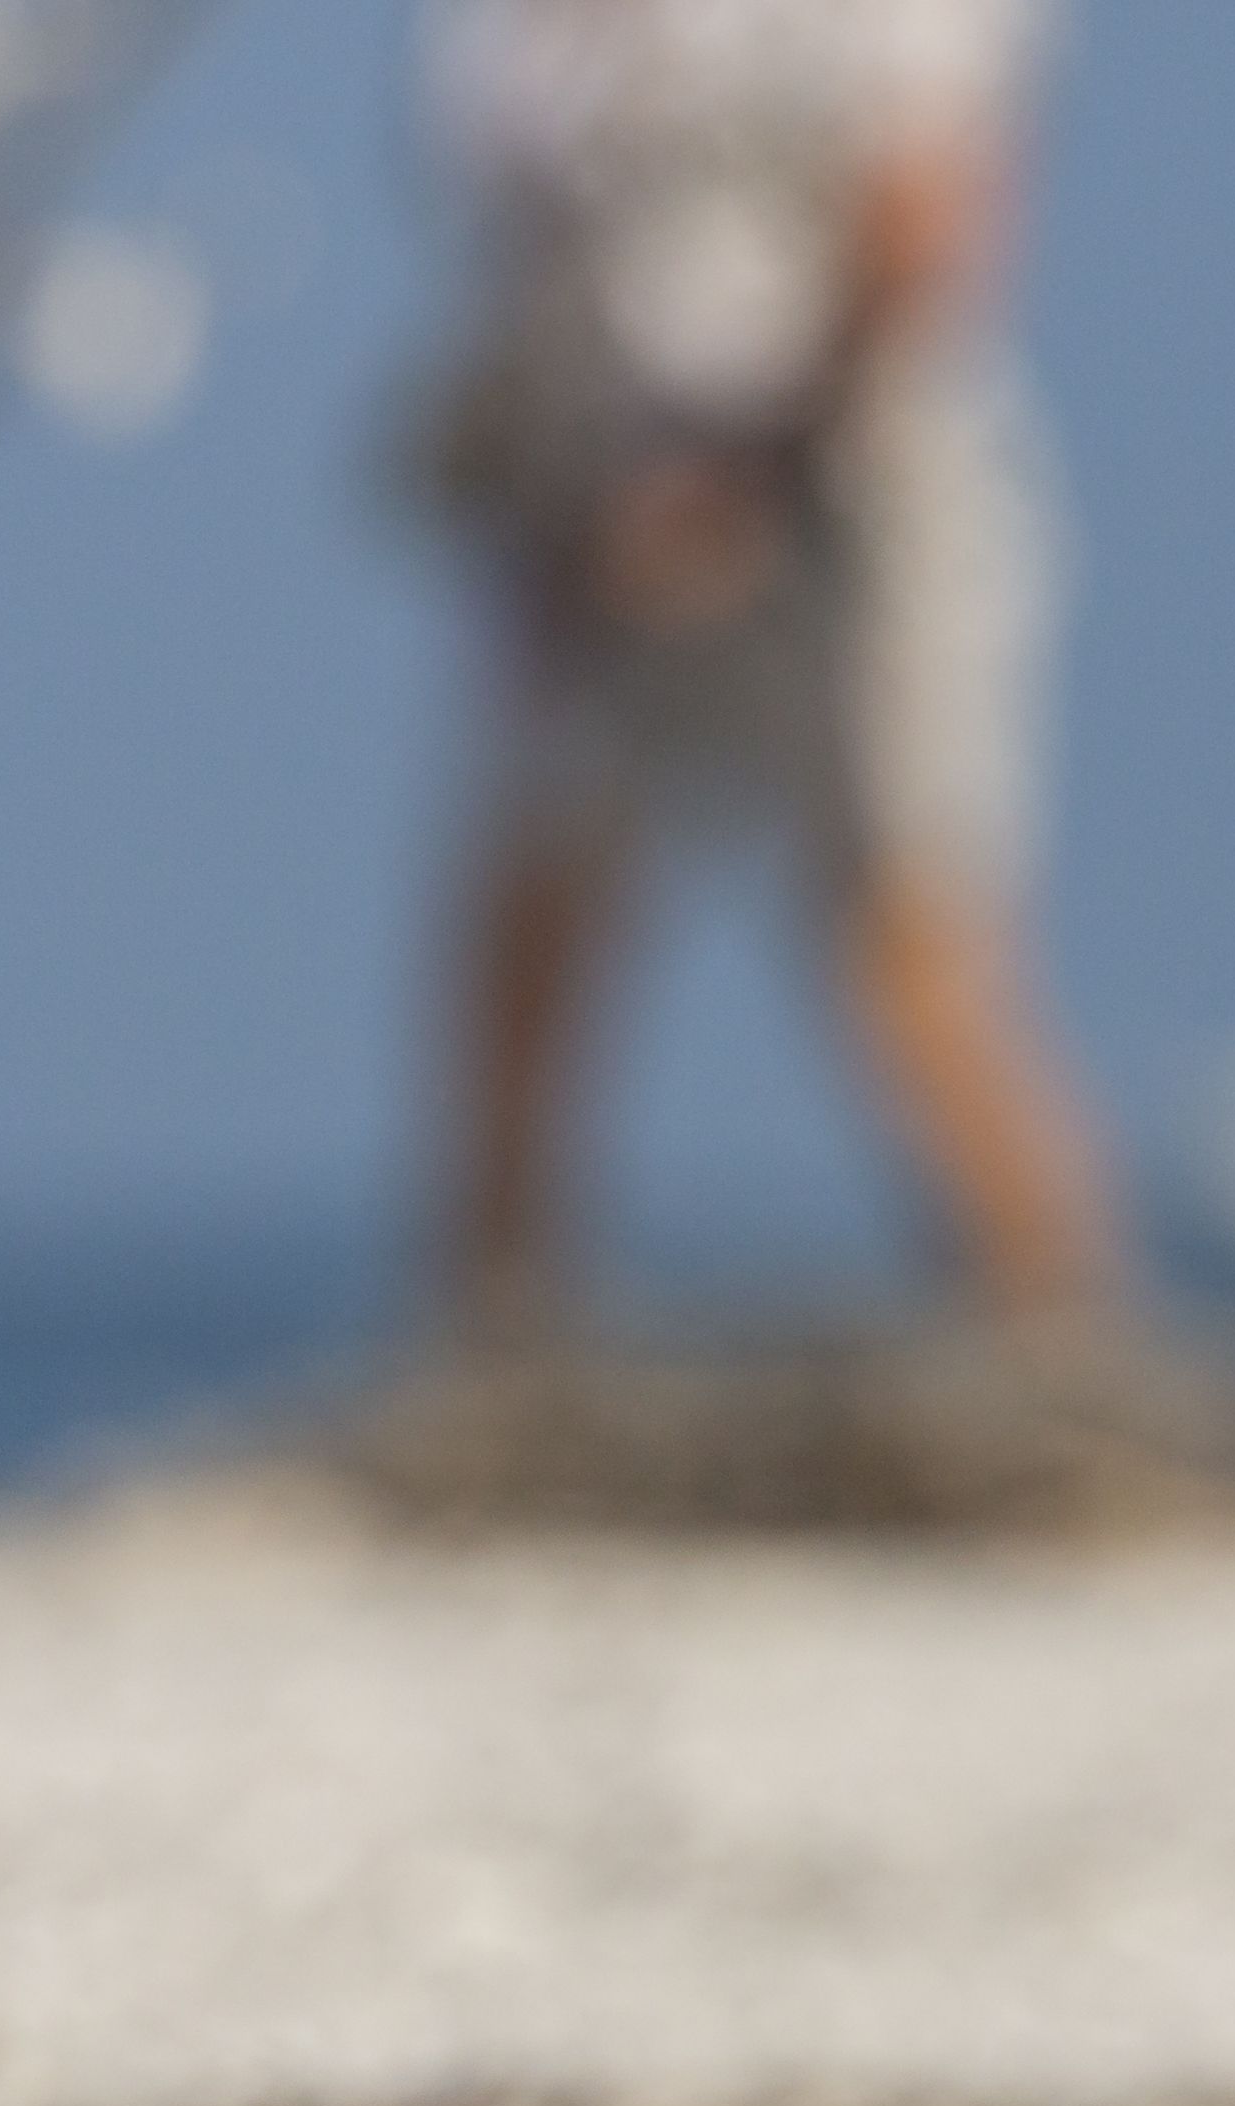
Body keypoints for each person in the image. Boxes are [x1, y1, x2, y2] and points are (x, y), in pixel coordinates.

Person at [413, 0, 1126, 1364]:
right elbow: (521, 221)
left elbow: (924, 224)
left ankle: (1062, 1348)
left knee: (906, 949)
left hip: (858, 502)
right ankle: (488, 1360)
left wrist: (740, 481)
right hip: (583, 513)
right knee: (527, 932)